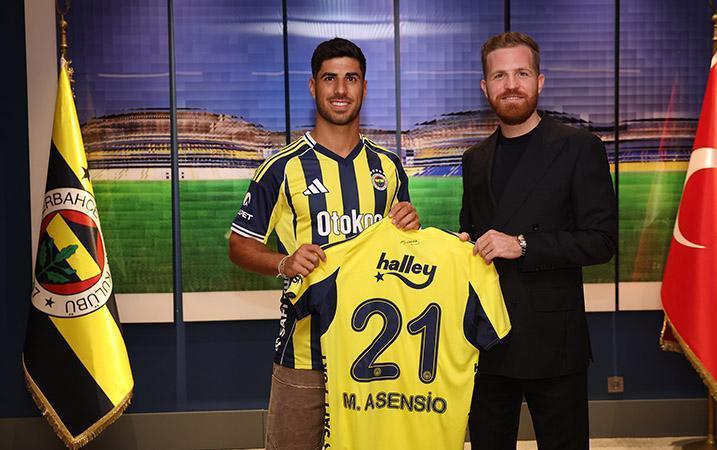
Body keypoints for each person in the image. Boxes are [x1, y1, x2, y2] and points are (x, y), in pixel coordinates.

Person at [228, 37, 419, 450]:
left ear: (364, 87)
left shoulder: (388, 167)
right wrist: (284, 262)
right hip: (304, 350)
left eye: (351, 78)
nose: (340, 89)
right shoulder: (281, 168)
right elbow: (239, 245)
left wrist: (411, 228)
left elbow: (404, 249)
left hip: (376, 352)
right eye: (330, 78)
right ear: (313, 86)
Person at [459, 32, 617, 450]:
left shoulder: (579, 148)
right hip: (488, 342)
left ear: (540, 81)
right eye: (500, 76)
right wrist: (461, 245)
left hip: (554, 345)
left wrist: (523, 245)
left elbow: (601, 241)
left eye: (522, 73)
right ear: (485, 87)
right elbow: (473, 234)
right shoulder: (474, 160)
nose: (511, 84)